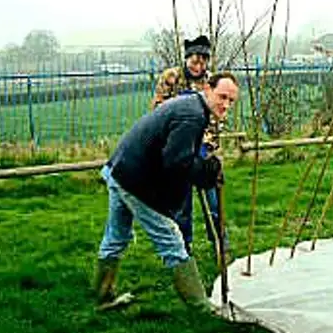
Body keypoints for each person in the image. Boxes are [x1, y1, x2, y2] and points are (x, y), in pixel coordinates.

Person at [93, 71, 240, 313]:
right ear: (208, 89)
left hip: (118, 169)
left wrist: (201, 167)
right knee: (171, 238)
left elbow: (176, 155)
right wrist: (206, 170)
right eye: (222, 97)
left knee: (116, 237)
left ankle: (103, 297)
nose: (226, 105)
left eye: (231, 101)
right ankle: (202, 309)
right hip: (134, 179)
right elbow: (176, 163)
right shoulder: (193, 116)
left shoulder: (190, 105)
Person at [151, 35, 231, 260]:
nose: (199, 66)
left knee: (214, 203)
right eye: (194, 61)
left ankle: (221, 245)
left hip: (205, 149)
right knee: (181, 206)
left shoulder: (211, 82)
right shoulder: (171, 78)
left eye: (203, 62)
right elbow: (158, 112)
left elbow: (217, 115)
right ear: (187, 59)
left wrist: (209, 146)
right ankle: (183, 250)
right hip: (179, 151)